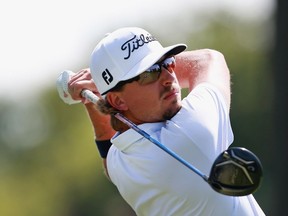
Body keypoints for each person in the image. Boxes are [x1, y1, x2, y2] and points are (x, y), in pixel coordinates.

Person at [66, 27, 265, 215]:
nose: (169, 77)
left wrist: (93, 97)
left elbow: (108, 152)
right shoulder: (190, 133)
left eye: (168, 63)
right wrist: (99, 88)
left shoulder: (123, 163)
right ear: (118, 100)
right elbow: (207, 60)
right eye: (149, 73)